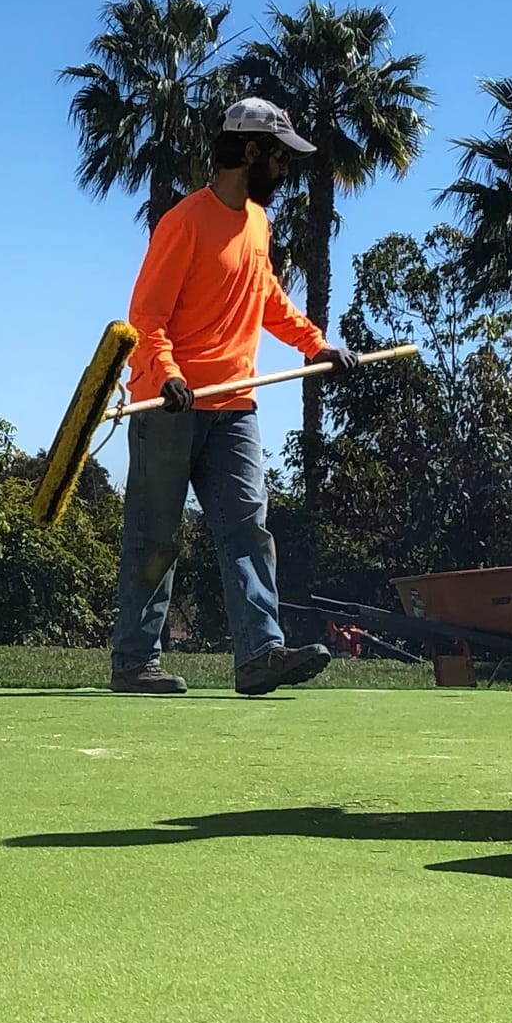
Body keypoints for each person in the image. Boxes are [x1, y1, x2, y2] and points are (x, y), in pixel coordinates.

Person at [108, 97, 353, 695]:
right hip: (170, 407)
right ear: (250, 152)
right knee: (156, 537)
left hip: (235, 406)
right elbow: (147, 316)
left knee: (248, 530)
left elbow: (266, 296)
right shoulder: (184, 223)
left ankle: (260, 655)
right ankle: (136, 661)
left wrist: (314, 346)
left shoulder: (258, 224)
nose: (286, 171)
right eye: (279, 158)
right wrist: (166, 373)